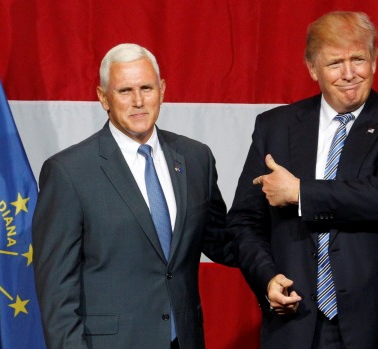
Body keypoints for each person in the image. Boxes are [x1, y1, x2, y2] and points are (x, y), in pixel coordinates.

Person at [228, 11, 378, 349]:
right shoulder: (275, 127)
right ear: (312, 68)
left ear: (374, 60)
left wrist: (300, 192)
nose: (349, 74)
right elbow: (244, 220)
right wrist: (266, 278)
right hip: (299, 322)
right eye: (334, 63)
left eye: (358, 58)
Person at [32, 43, 234, 349]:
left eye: (146, 88)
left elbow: (224, 242)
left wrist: (282, 217)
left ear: (162, 90)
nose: (138, 101)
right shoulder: (68, 172)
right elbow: (57, 291)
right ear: (103, 98)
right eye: (125, 90)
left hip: (185, 340)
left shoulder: (195, 158)